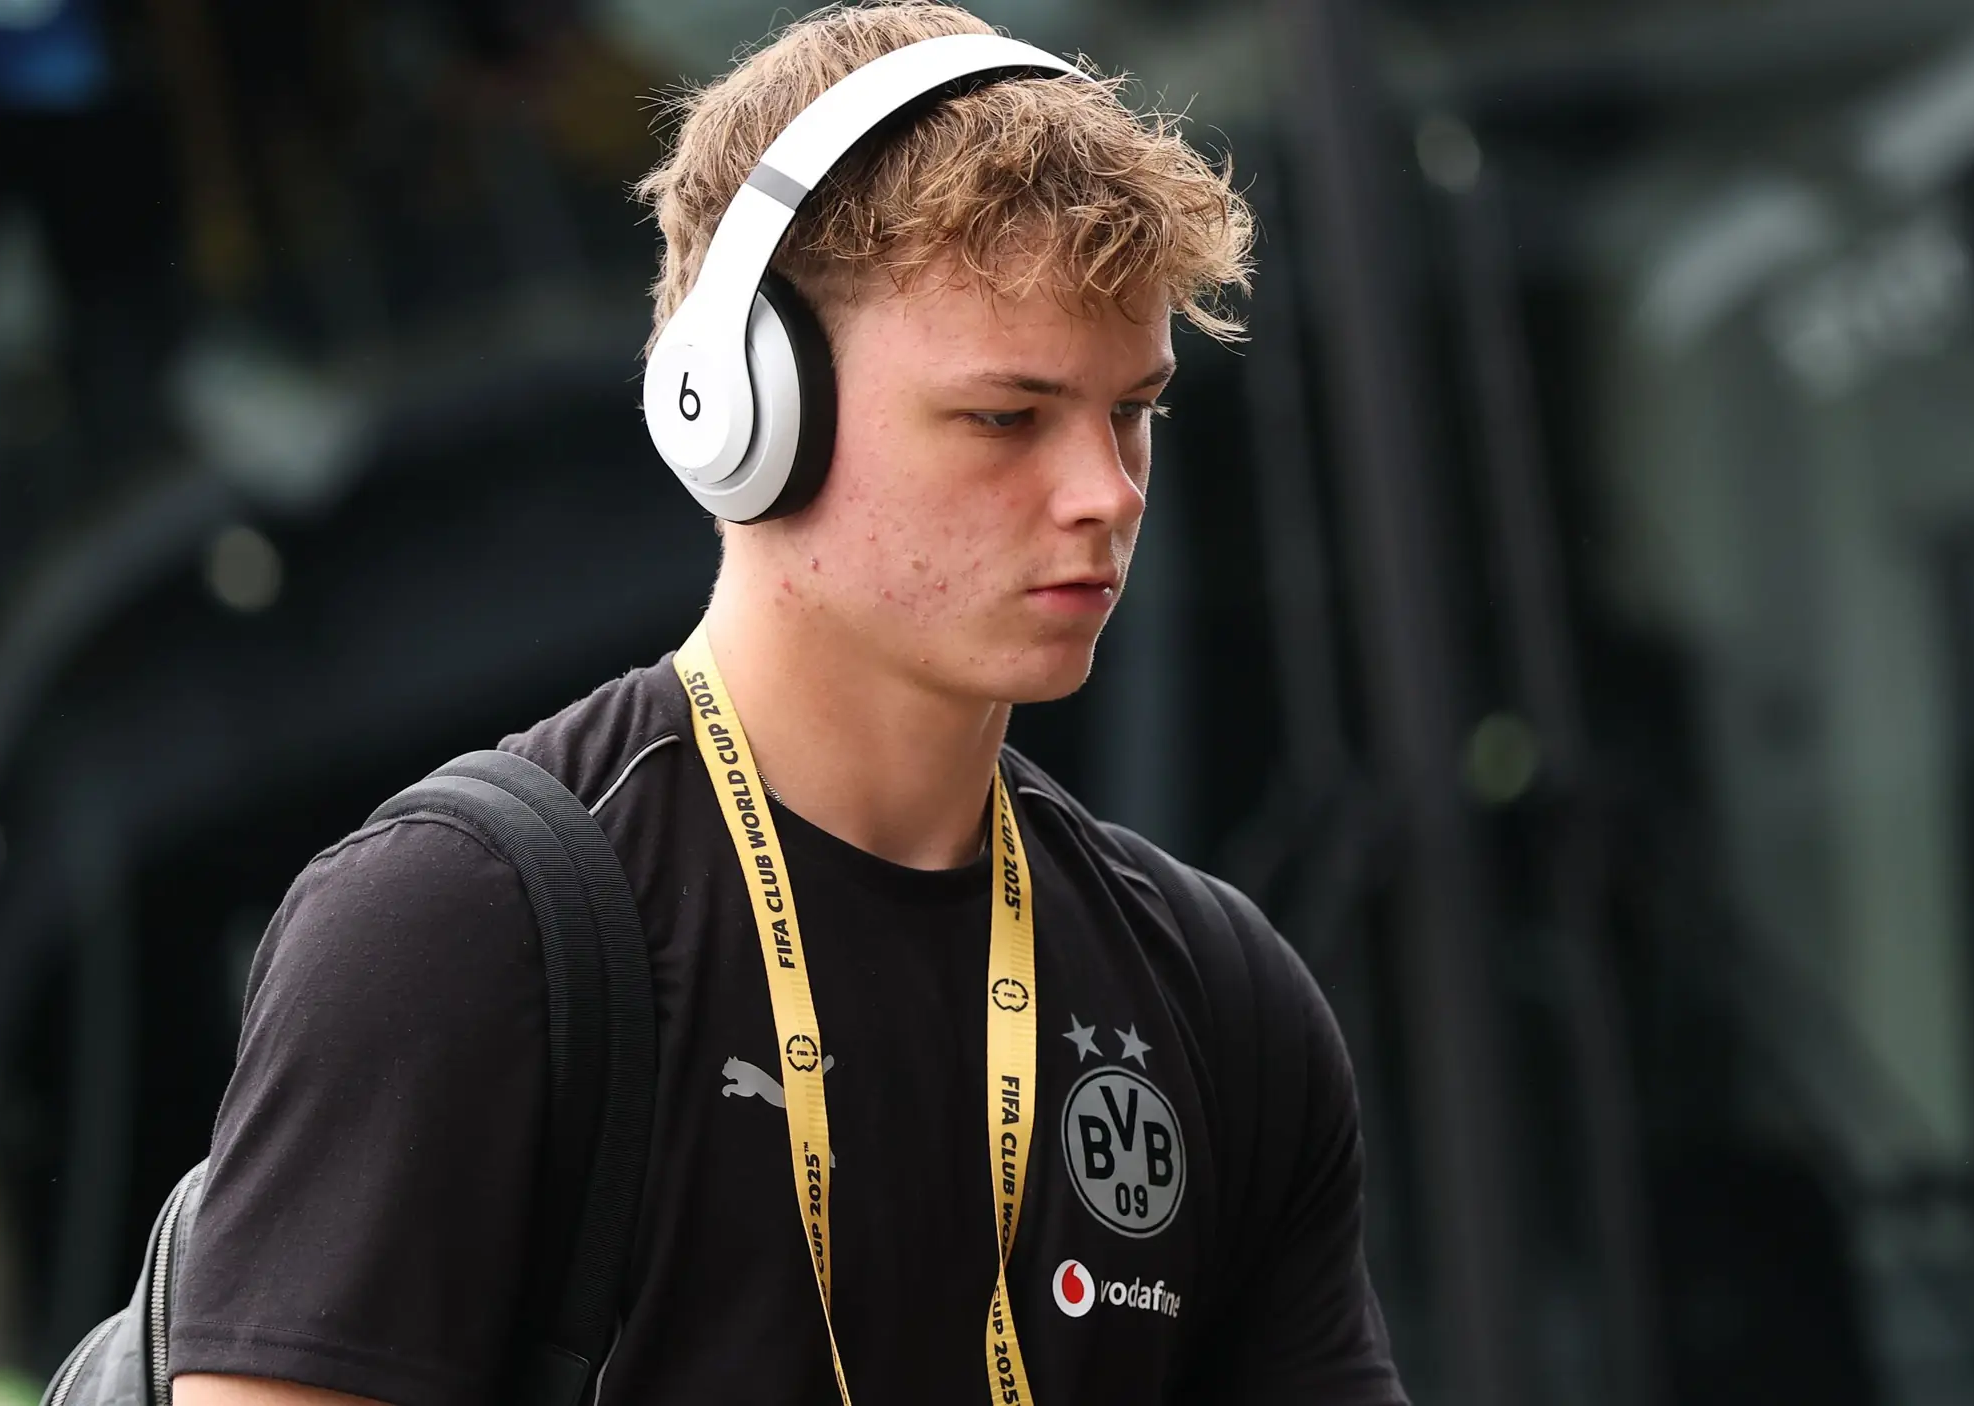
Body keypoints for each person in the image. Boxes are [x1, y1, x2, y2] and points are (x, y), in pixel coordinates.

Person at [170, 4, 1408, 1403]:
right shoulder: (453, 929)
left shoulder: (1223, 997)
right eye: (1006, 418)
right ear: (746, 414)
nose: (1105, 493)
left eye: (1133, 411)